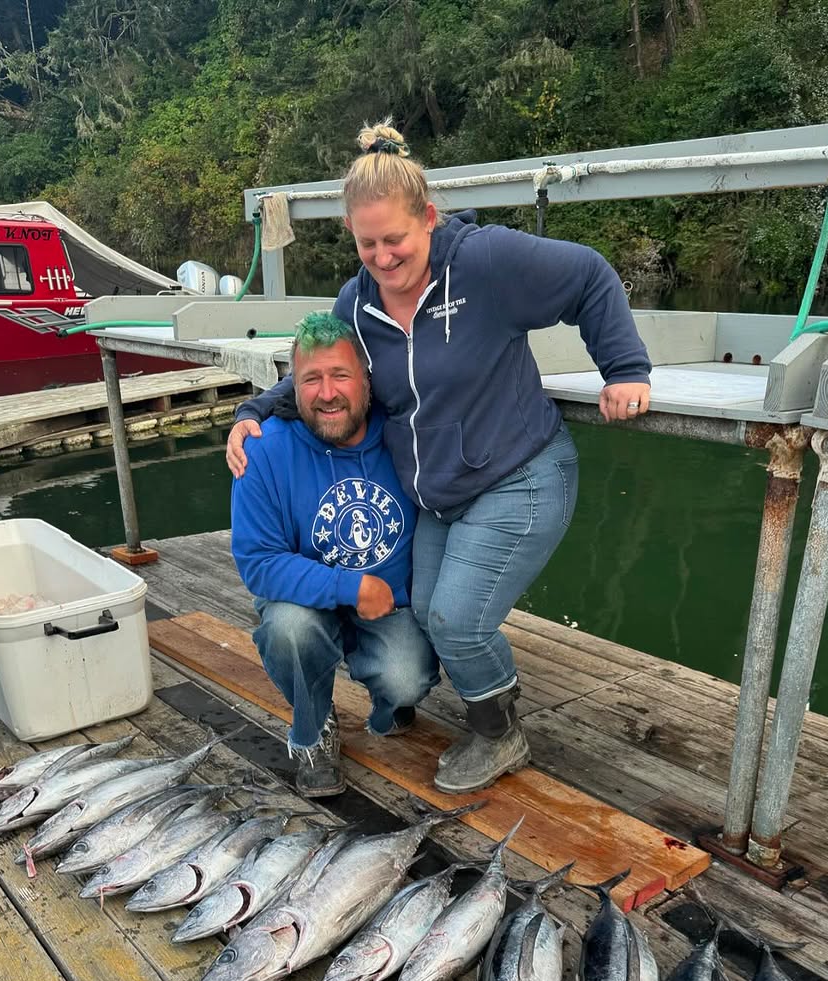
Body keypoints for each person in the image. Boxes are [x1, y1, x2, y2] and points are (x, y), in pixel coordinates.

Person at [228, 120, 651, 794]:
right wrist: (254, 411)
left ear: (428, 217)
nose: (384, 257)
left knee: (457, 616)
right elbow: (322, 370)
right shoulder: (357, 302)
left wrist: (624, 369)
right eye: (367, 244)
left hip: (521, 471)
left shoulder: (485, 262)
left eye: (395, 239)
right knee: (427, 609)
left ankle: (499, 731)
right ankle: (461, 703)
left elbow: (589, 277)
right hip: (441, 494)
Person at [230, 309, 439, 797]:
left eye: (340, 375)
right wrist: (350, 586)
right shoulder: (260, 449)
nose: (327, 393)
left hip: (391, 604)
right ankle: (313, 728)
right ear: (291, 385)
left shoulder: (405, 434)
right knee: (290, 630)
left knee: (407, 679)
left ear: (367, 379)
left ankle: (390, 702)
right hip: (305, 601)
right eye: (311, 379)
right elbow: (258, 562)